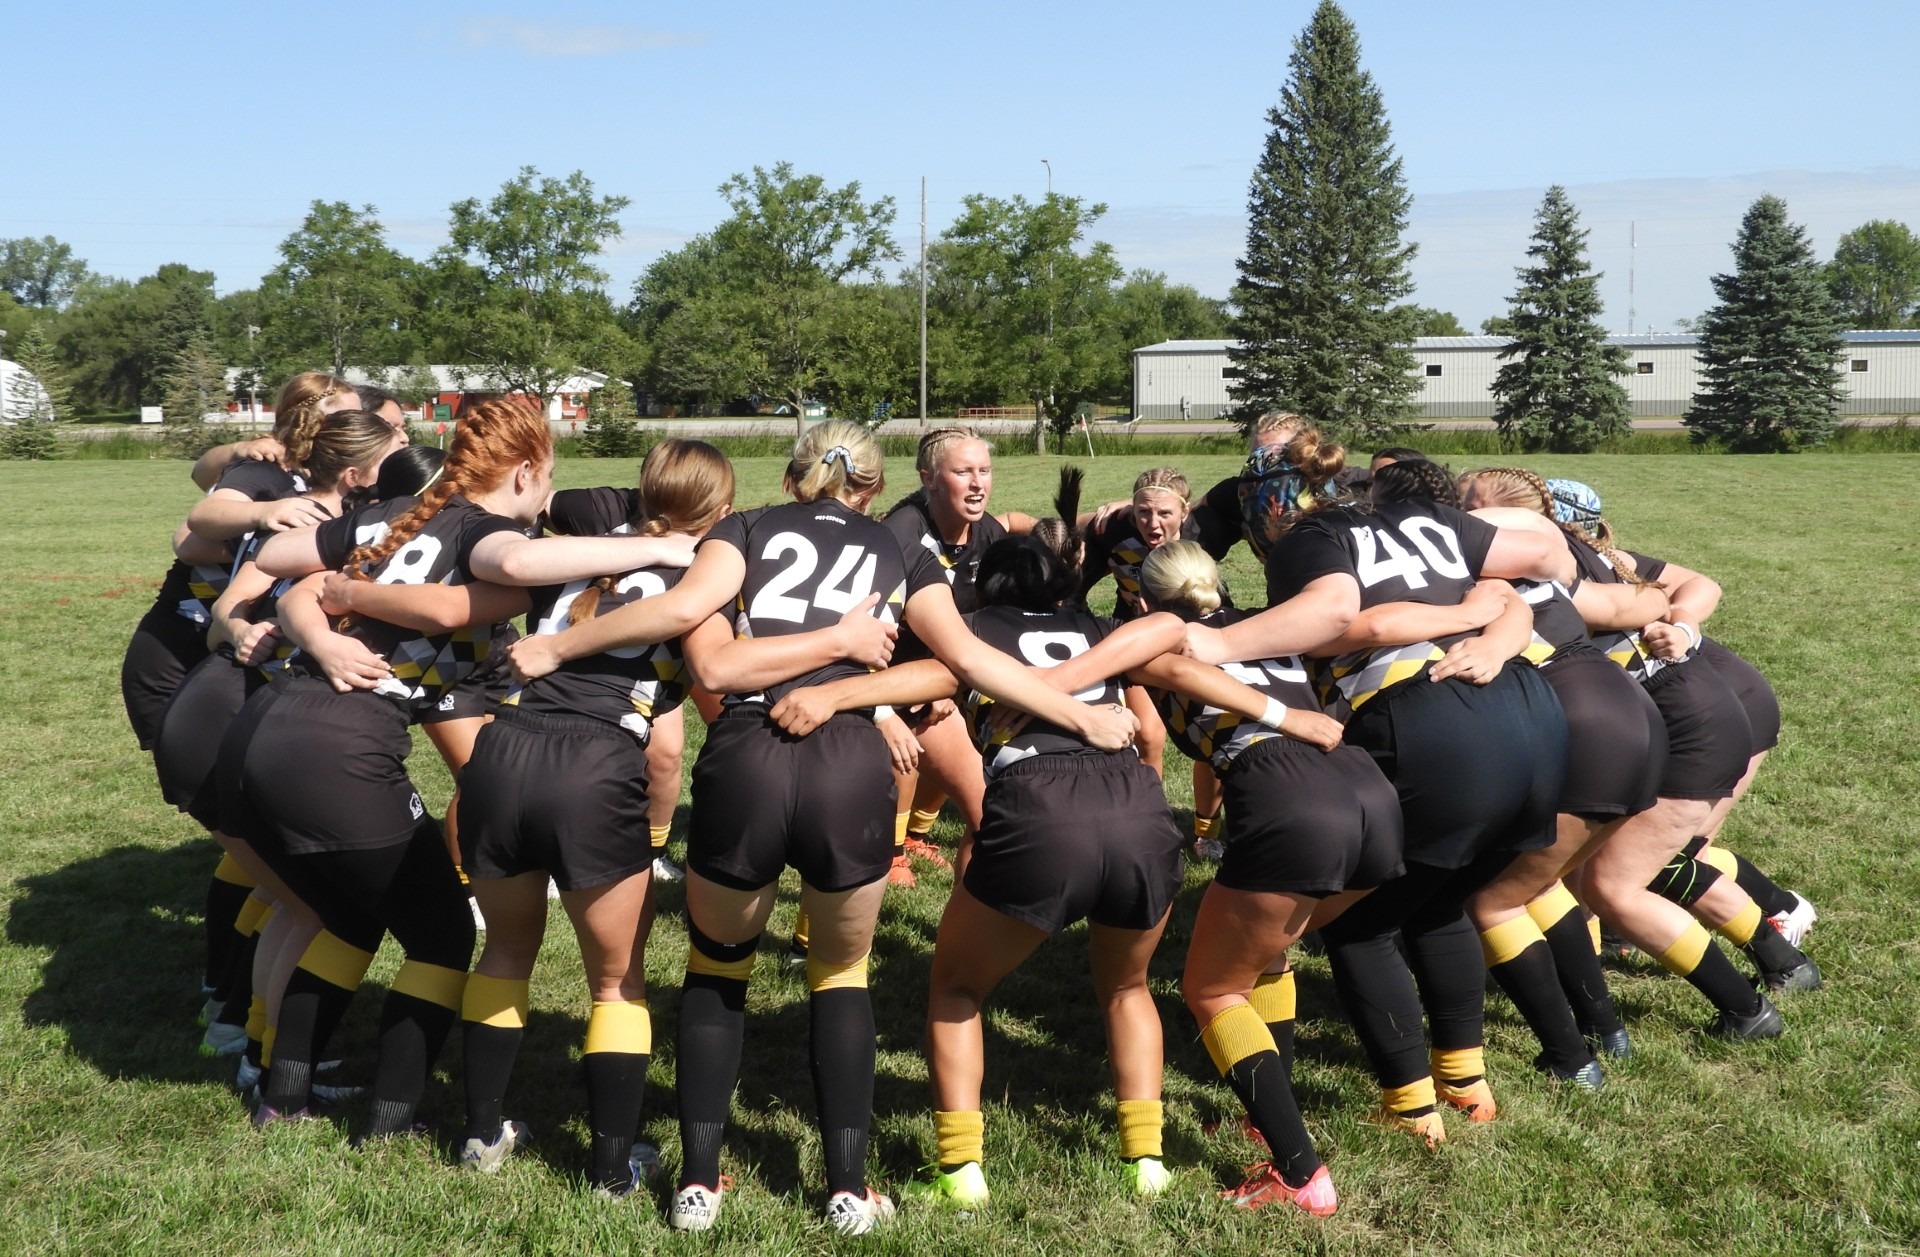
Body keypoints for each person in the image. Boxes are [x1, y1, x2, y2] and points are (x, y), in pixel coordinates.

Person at [506, 420, 1136, 1235]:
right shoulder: (898, 545)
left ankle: (698, 1182)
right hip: (849, 767)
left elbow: (696, 632)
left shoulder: (742, 526)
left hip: (748, 756)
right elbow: (964, 662)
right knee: (841, 973)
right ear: (871, 487)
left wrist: (559, 649)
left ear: (794, 477)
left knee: (717, 964)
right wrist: (1071, 716)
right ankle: (846, 1186)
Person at [761, 529, 1313, 1210]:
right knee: (1126, 986)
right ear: (1059, 587)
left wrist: (840, 697)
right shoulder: (1099, 625)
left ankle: (961, 1171)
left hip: (1043, 808)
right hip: (1139, 811)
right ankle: (1145, 1158)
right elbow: (1168, 665)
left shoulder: (971, 631)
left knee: (957, 987)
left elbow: (933, 677)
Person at [227, 398, 693, 1142]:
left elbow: (281, 560)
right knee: (442, 933)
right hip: (342, 747)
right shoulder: (488, 533)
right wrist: (652, 551)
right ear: (527, 471)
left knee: (351, 914)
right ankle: (389, 1120)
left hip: (265, 728)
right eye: (546, 483)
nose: (547, 502)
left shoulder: (407, 511)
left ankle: (286, 1093)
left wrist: (326, 619)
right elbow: (506, 568)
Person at [1183, 440, 1572, 1146]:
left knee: (1359, 920)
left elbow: (1336, 618)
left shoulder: (1320, 533)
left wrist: (1216, 643)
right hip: (1532, 716)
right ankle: (1465, 1081)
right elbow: (1544, 565)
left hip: (1429, 717)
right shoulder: (1436, 520)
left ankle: (1412, 1106)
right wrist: (1491, 629)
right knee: (1438, 899)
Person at [450, 440, 735, 1197]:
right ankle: (611, 1170)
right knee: (616, 984)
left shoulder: (577, 545)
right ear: (721, 512)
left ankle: (480, 1134)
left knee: (506, 951)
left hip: (500, 750)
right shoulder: (702, 569)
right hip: (594, 761)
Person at [1141, 541, 1402, 1215]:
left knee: (1209, 986)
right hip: (1367, 792)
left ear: (1146, 600)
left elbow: (1171, 662)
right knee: (1262, 952)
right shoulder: (1266, 619)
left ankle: (1299, 1171)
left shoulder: (1160, 633)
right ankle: (1266, 1111)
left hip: (1293, 793)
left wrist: (1275, 716)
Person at [153, 412, 404, 1067]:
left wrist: (235, 631)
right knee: (316, 903)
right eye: (395, 449)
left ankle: (239, 1028)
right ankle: (264, 1054)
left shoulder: (286, 513)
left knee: (282, 893)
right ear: (356, 473)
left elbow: (224, 610)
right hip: (227, 718)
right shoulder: (325, 529)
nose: (408, 458)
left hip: (211, 704)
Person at [1538, 479, 1819, 1001]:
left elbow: (1699, 585)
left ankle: (1777, 940)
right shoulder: (1588, 558)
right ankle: (1775, 931)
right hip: (1706, 705)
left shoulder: (1581, 566)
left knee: (1656, 861)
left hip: (1715, 709)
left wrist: (1682, 624)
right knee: (1651, 855)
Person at [877, 426, 1036, 881]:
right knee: (930, 741)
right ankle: (888, 853)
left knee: (974, 748)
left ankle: (914, 835)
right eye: (962, 471)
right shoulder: (899, 535)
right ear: (928, 478)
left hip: (950, 676)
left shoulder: (985, 533)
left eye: (984, 470)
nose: (978, 483)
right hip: (891, 682)